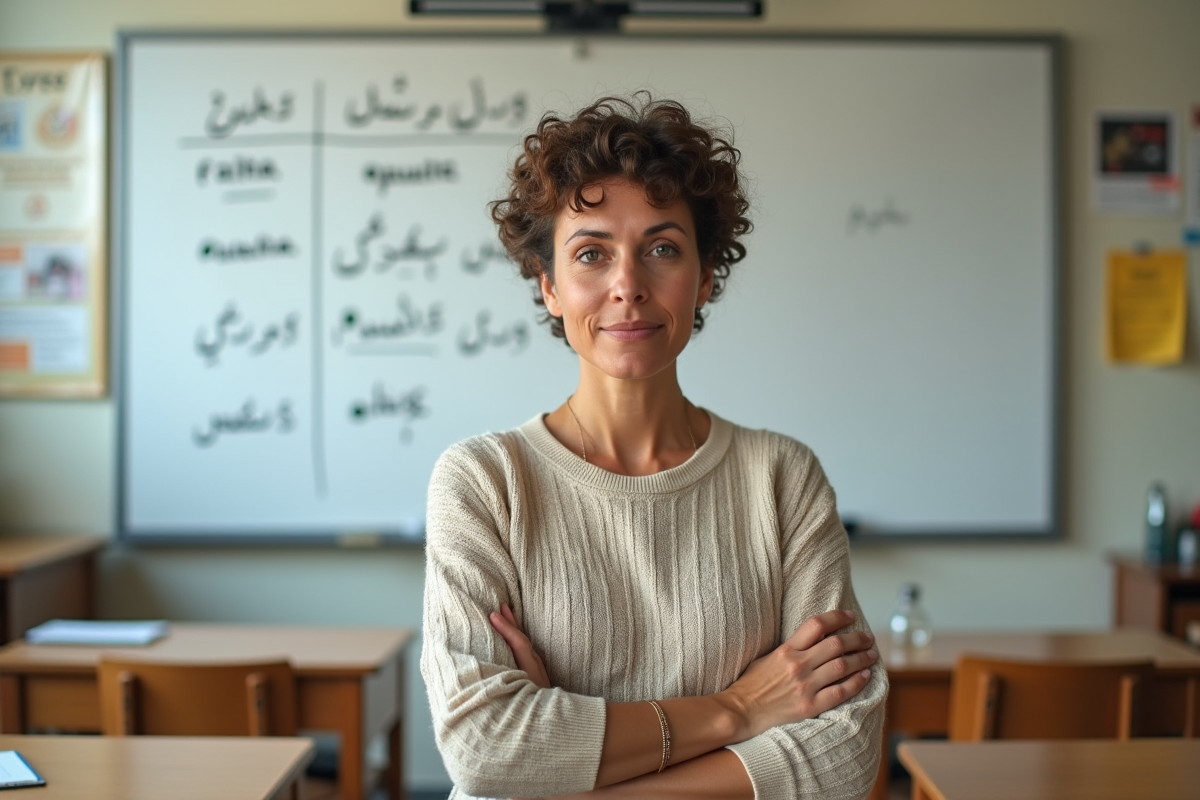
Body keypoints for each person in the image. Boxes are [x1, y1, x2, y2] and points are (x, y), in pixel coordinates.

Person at [421, 94, 887, 800]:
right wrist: (740, 710)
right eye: (590, 254)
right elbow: (485, 747)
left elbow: (845, 753)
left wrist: (571, 769)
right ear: (549, 286)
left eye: (662, 249)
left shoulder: (782, 478)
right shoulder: (484, 482)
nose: (628, 287)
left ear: (704, 279)